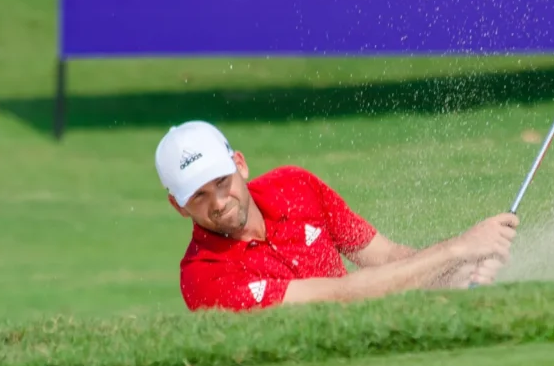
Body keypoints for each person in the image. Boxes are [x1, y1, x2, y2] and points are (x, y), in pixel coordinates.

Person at [154, 120, 519, 312]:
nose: (218, 202)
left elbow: (386, 257)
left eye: (221, 182)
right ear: (178, 206)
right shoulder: (204, 277)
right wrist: (457, 249)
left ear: (240, 164)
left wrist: (453, 277)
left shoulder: (294, 186)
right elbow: (341, 296)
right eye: (198, 196)